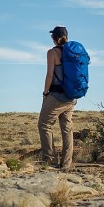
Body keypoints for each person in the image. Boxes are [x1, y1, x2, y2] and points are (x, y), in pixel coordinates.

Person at [37, 26, 77, 170]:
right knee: (67, 128)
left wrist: (45, 93)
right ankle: (66, 164)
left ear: (54, 38)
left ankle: (51, 161)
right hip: (71, 97)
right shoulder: (74, 53)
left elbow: (49, 75)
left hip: (56, 96)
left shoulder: (52, 53)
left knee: (44, 125)